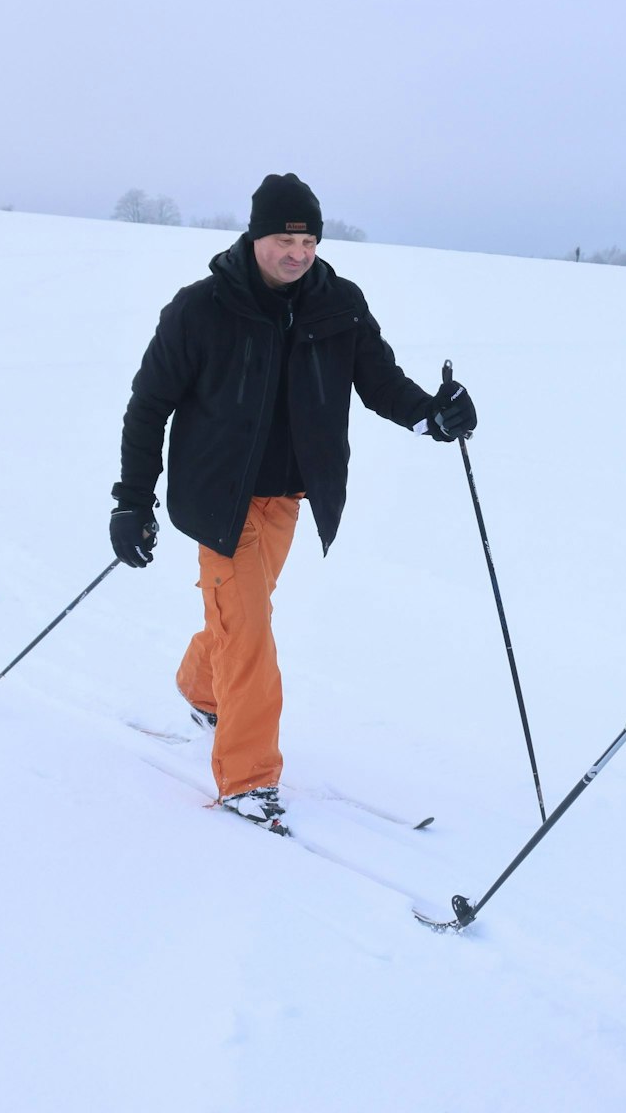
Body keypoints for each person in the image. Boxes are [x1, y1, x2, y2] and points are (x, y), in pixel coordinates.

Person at [110, 172, 476, 836]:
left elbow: (379, 381)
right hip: (219, 501)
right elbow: (149, 407)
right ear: (256, 235)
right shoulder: (201, 310)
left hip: (288, 496)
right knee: (249, 635)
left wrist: (431, 415)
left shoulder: (339, 304)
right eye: (285, 237)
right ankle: (248, 780)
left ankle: (200, 689)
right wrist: (132, 502)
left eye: (308, 238)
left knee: (238, 619)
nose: (298, 251)